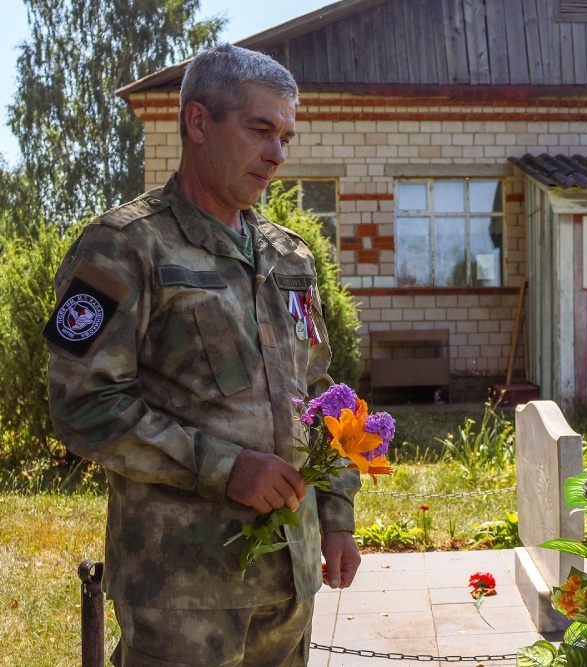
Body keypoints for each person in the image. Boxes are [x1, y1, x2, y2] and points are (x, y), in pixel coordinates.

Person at [45, 44, 360, 666]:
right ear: (197, 122)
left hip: (288, 584)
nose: (277, 154)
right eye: (260, 130)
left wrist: (337, 513)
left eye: (286, 137)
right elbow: (83, 404)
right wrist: (225, 467)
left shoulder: (289, 256)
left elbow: (323, 394)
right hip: (183, 594)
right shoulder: (123, 247)